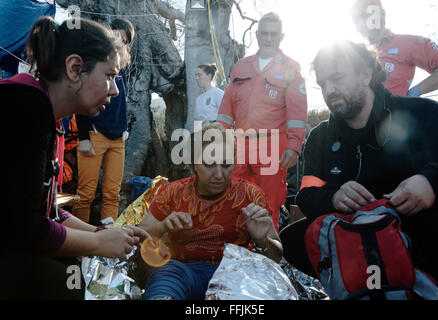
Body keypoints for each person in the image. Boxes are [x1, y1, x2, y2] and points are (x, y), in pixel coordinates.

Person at [283, 41, 438, 296]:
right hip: (356, 251)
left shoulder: (424, 114)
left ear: (365, 74)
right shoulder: (320, 138)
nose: (330, 90)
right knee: (291, 239)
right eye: (323, 83)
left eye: (337, 78)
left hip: (426, 253)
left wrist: (431, 181)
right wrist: (333, 195)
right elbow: (307, 191)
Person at [0, 16, 150, 300]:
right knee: (78, 287)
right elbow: (22, 228)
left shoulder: (48, 115)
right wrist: (96, 243)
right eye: (109, 75)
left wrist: (99, 233)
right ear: (75, 68)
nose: (115, 90)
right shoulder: (23, 109)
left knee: (81, 274)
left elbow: (50, 214)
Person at [137, 122, 282, 300]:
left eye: (226, 165)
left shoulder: (250, 195)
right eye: (209, 164)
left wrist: (262, 240)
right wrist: (162, 227)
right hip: (179, 271)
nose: (219, 175)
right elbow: (140, 234)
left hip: (235, 275)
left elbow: (276, 256)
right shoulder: (174, 193)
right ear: (194, 163)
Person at [217, 12, 308, 231]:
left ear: (281, 36)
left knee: (268, 202)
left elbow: (297, 112)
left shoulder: (291, 68)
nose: (268, 38)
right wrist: (219, 138)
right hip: (239, 144)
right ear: (257, 35)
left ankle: (267, 255)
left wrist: (294, 147)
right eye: (264, 33)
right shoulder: (241, 66)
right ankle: (234, 251)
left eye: (273, 34)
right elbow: (227, 107)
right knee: (232, 197)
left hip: (272, 144)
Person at [72, 17, 134, 225]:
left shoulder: (122, 68)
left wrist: (124, 128)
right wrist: (83, 137)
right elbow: (81, 98)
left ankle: (109, 243)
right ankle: (79, 246)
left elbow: (120, 102)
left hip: (118, 139)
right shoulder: (95, 61)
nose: (121, 43)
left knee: (112, 194)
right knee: (85, 194)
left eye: (125, 41)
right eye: (118, 36)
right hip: (95, 135)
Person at [351, 0, 438, 96]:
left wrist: (416, 91)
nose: (363, 22)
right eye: (357, 18)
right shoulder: (354, 54)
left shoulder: (407, 43)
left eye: (367, 14)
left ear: (382, 13)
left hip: (392, 111)